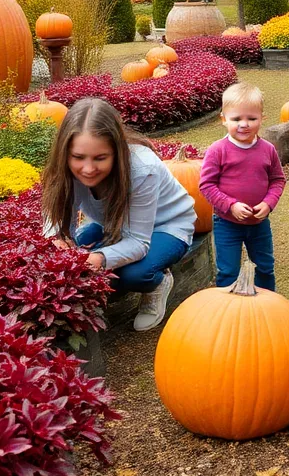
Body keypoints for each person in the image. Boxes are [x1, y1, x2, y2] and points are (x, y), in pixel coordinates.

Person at [42, 97, 196, 332]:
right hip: (112, 223)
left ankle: (158, 283)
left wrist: (99, 258)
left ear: (117, 150)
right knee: (77, 250)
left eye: (100, 158)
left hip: (167, 226)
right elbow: (57, 218)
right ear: (65, 152)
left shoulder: (142, 169)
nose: (88, 169)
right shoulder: (64, 168)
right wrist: (57, 239)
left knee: (132, 274)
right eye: (78, 157)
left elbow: (137, 241)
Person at [199, 82, 286, 290]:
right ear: (224, 119)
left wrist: (268, 203)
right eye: (236, 119)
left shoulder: (268, 150)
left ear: (262, 118)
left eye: (252, 118)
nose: (244, 124)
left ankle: (266, 303)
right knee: (228, 270)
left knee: (265, 268)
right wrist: (230, 205)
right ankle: (227, 306)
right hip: (226, 223)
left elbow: (277, 180)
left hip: (259, 223)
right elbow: (207, 185)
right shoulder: (217, 150)